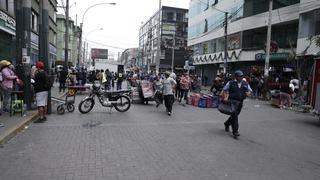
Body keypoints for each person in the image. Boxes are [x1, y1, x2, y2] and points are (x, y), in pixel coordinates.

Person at [220, 70, 252, 138]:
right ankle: (235, 131)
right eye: (239, 76)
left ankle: (227, 123)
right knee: (235, 116)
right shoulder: (231, 83)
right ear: (235, 77)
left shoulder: (245, 83)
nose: (240, 78)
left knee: (235, 115)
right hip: (232, 102)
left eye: (241, 76)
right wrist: (225, 97)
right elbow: (225, 90)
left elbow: (249, 91)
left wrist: (248, 93)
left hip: (240, 102)